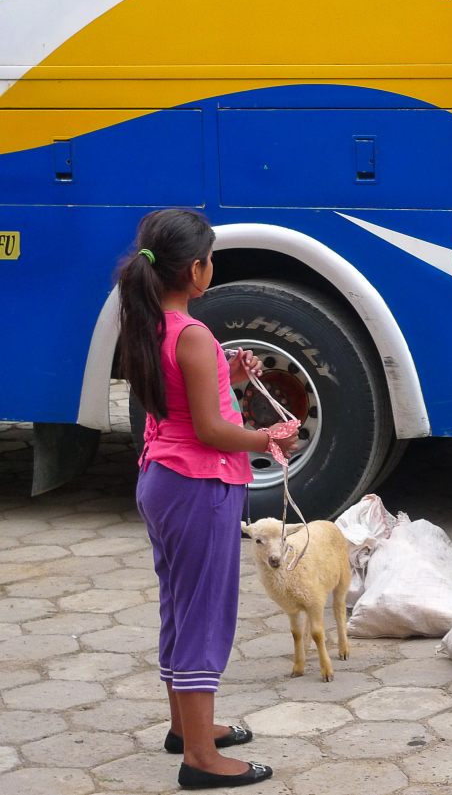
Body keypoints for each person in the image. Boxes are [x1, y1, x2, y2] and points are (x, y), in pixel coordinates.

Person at [116, 209, 298, 790]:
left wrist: (232, 375)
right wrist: (268, 436)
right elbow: (211, 430)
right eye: (211, 259)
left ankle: (186, 728)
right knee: (204, 614)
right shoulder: (192, 335)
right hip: (200, 484)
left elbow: (185, 397)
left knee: (180, 602)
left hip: (162, 480)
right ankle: (199, 758)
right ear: (196, 270)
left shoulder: (152, 325)